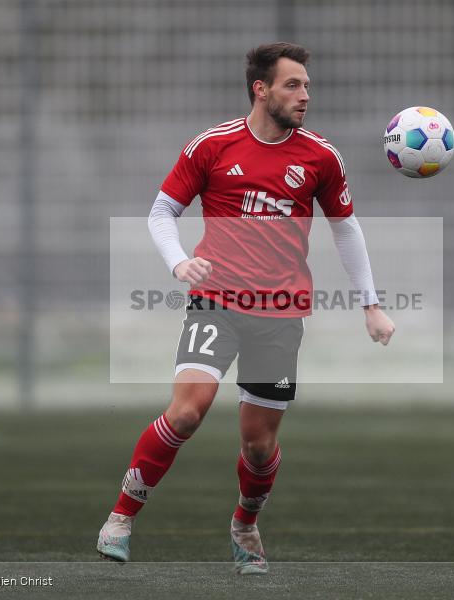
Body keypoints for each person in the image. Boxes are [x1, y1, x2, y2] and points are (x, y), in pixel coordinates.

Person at [97, 42, 395, 575]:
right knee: (188, 411)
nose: (305, 95)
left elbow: (345, 229)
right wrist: (179, 263)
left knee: (258, 447)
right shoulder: (212, 146)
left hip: (280, 313)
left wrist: (370, 304)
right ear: (261, 90)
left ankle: (244, 522)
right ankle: (121, 517)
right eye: (292, 85)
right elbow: (162, 211)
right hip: (216, 301)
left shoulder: (321, 157)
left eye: (306, 84)